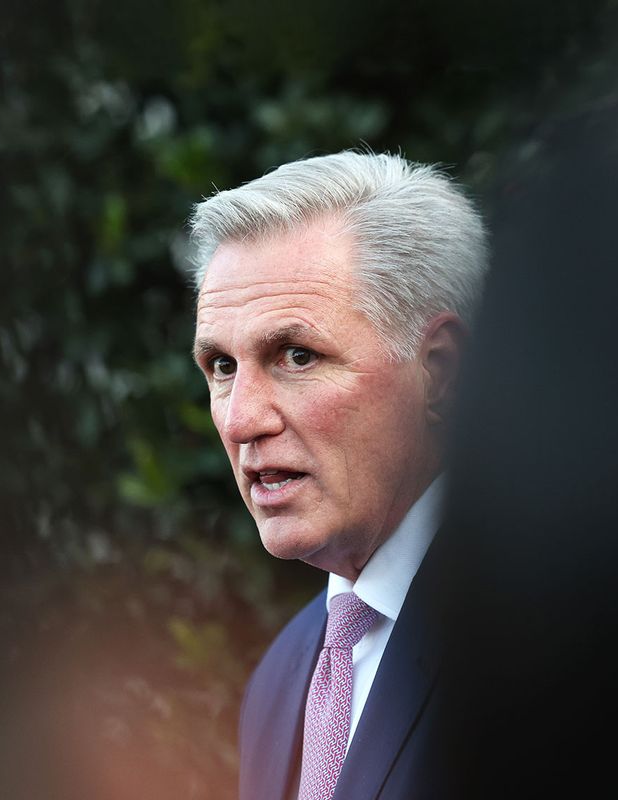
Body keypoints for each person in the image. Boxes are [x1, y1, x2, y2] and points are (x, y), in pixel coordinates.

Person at [187, 151, 487, 800]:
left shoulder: (561, 642)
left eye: (297, 356)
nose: (241, 420)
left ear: (439, 371)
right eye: (221, 366)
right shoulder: (278, 679)